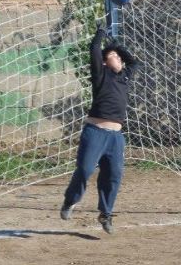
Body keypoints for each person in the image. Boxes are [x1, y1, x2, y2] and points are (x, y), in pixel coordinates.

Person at [60, 21, 140, 234]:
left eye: (119, 57)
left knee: (113, 174)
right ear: (104, 62)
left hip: (116, 137)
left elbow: (135, 62)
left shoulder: (124, 77)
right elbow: (94, 49)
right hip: (95, 133)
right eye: (114, 56)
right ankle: (70, 201)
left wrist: (116, 45)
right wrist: (101, 35)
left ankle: (106, 214)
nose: (119, 59)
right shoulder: (101, 74)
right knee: (85, 169)